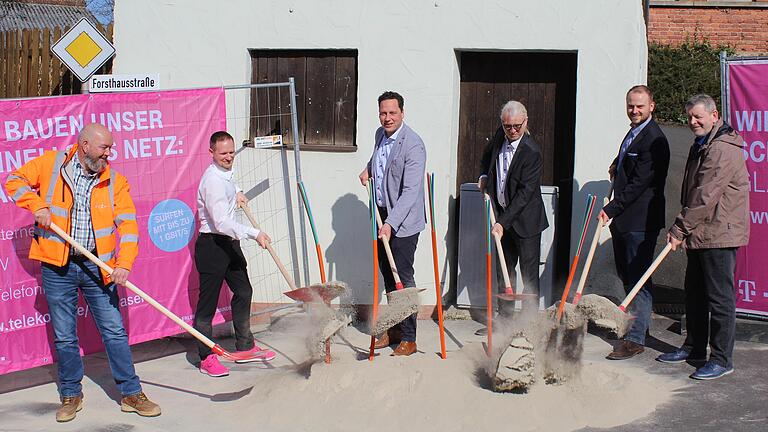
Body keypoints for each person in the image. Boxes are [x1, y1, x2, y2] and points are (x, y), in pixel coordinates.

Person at [5, 123, 160, 422]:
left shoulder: (115, 181)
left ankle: (130, 392)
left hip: (97, 266)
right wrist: (37, 205)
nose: (109, 154)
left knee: (114, 331)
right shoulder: (52, 165)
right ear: (85, 145)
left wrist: (124, 263)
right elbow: (13, 180)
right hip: (57, 266)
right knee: (64, 336)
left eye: (110, 148)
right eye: (104, 148)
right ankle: (71, 394)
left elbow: (128, 226)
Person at [657, 94, 749, 380]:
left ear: (714, 115)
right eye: (689, 117)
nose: (693, 121)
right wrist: (687, 230)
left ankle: (721, 358)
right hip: (701, 231)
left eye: (698, 116)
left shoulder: (722, 148)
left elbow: (705, 195)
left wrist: (679, 229)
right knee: (694, 294)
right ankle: (694, 348)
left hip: (719, 233)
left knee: (720, 299)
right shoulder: (704, 143)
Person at [194, 131, 276, 377]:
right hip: (212, 245)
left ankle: (245, 346)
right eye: (223, 153)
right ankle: (206, 357)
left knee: (243, 290)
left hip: (229, 244)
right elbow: (220, 222)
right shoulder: (211, 181)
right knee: (206, 307)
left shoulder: (224, 175)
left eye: (231, 152)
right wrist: (254, 233)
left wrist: (238, 191)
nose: (229, 157)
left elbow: (229, 181)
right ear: (211, 153)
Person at [599, 85, 670, 360]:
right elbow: (630, 161)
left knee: (638, 279)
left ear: (652, 105)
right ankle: (637, 326)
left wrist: (611, 209)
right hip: (626, 220)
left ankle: (636, 338)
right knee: (628, 276)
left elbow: (641, 183)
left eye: (640, 106)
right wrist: (618, 163)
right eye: (631, 105)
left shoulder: (655, 139)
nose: (634, 110)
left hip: (640, 220)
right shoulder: (634, 131)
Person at [359, 91, 426, 356]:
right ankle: (396, 328)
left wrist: (391, 224)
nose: (387, 118)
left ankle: (409, 337)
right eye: (383, 113)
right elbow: (380, 160)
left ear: (402, 113)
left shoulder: (414, 145)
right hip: (382, 213)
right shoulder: (380, 135)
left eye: (392, 113)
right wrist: (368, 168)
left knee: (402, 276)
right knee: (387, 272)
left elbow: (410, 192)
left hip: (404, 221)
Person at [476, 100, 549, 334]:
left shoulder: (532, 152)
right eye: (508, 126)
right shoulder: (500, 136)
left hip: (526, 222)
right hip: (502, 218)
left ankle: (528, 325)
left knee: (529, 275)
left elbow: (525, 194)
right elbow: (487, 156)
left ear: (525, 122)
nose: (513, 130)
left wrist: (502, 223)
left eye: (517, 126)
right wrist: (484, 175)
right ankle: (504, 319)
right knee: (504, 271)